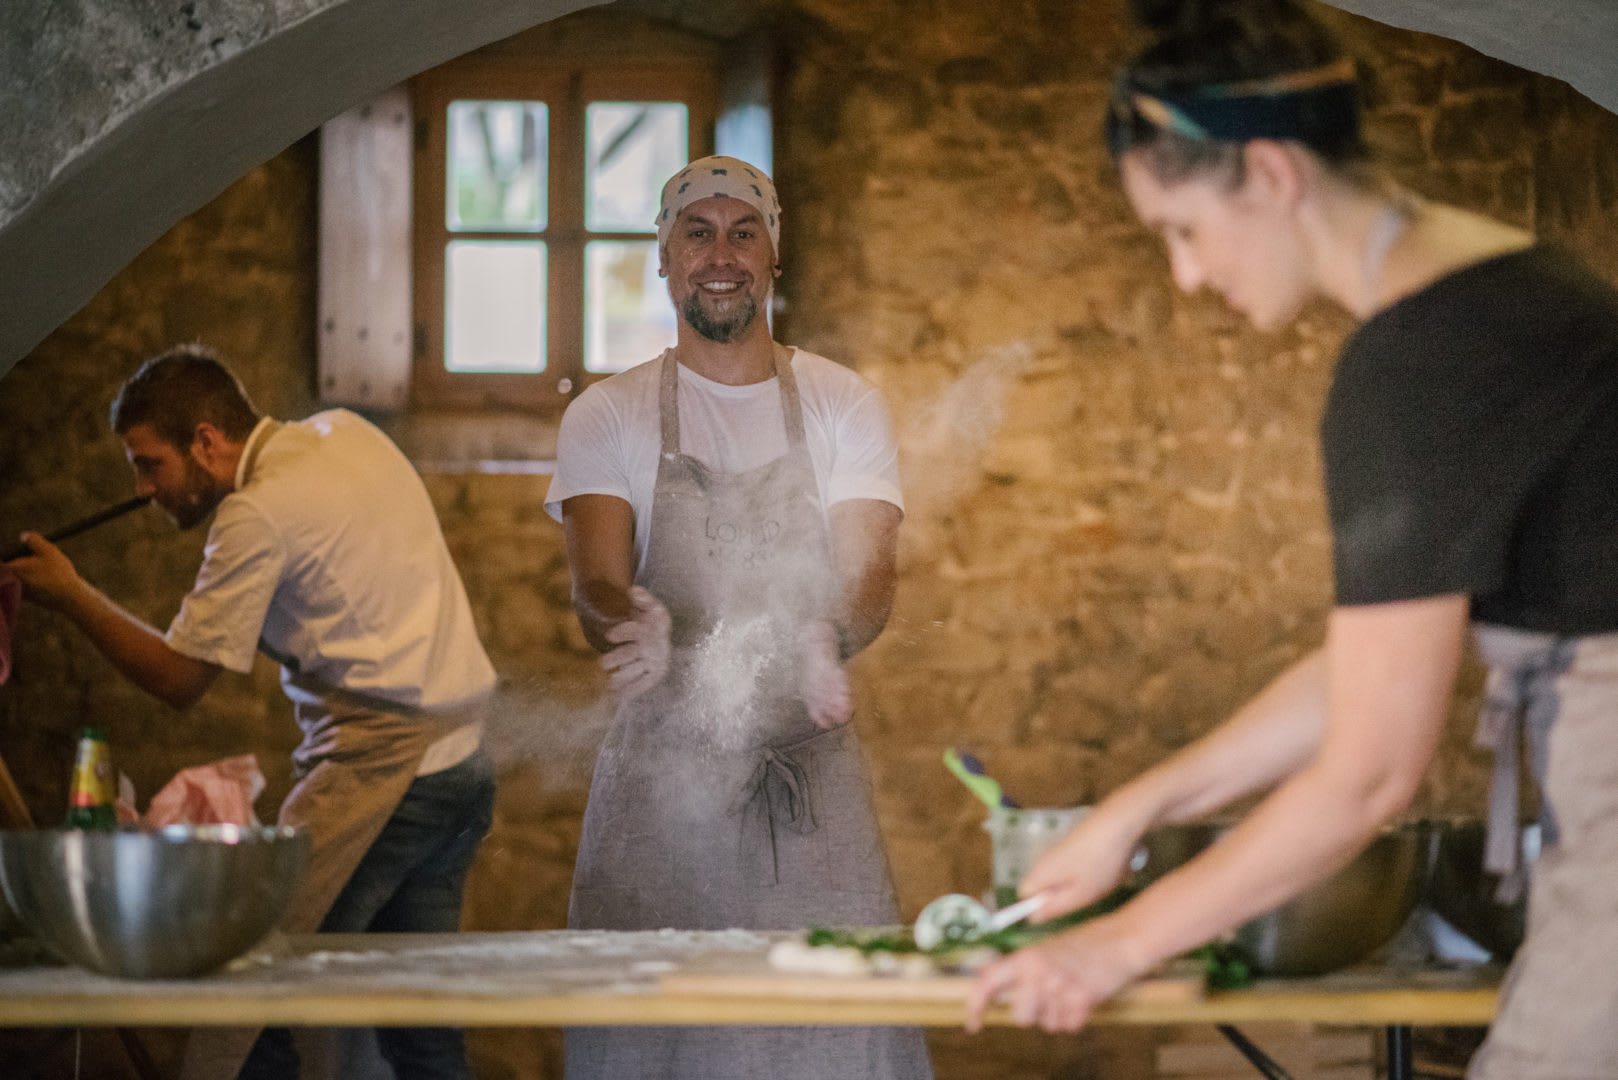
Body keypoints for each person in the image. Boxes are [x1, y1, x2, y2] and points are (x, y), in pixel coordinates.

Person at [964, 2, 1618, 1076]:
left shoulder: (1415, 362)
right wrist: (1134, 811)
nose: (1184, 275)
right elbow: (1362, 671)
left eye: (1181, 229)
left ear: (1270, 174)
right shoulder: (1503, 296)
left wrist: (1113, 948)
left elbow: (1367, 774)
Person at [7, 346, 498, 1080]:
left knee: (241, 987)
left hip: (392, 777)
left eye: (151, 465)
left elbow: (181, 680)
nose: (144, 491)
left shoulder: (256, 512)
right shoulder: (345, 432)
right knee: (418, 1020)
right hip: (464, 766)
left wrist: (72, 593)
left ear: (206, 441)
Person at [546, 155, 931, 1080]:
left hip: (806, 793)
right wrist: (624, 621)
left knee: (839, 1039)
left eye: (743, 232)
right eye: (698, 232)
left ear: (773, 254)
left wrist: (826, 633)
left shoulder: (842, 403)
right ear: (667, 260)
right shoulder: (610, 413)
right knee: (651, 1044)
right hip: (658, 798)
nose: (722, 255)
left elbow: (870, 571)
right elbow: (595, 580)